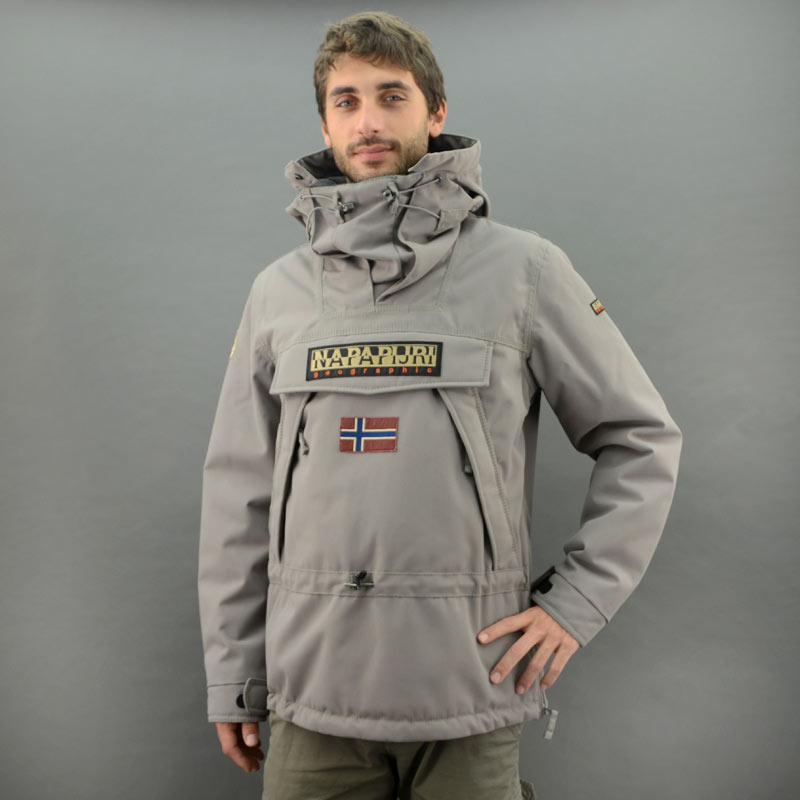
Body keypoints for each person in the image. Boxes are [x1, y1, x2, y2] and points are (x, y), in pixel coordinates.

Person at [197, 11, 682, 800]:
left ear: (436, 112)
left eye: (392, 96)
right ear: (324, 124)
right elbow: (237, 494)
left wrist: (577, 604)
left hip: (470, 688)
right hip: (313, 692)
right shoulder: (277, 294)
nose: (369, 120)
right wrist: (232, 675)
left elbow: (642, 438)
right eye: (347, 101)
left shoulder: (524, 271)